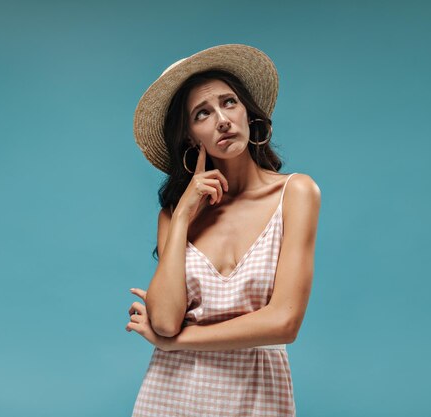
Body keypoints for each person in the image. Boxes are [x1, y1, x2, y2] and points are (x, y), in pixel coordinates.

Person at [126, 44, 321, 417]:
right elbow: (165, 321)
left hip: (257, 396)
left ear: (249, 112)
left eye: (229, 103)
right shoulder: (174, 217)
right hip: (171, 396)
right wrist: (182, 214)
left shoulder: (296, 193)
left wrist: (179, 342)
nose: (222, 120)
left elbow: (284, 322)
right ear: (190, 137)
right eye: (203, 113)